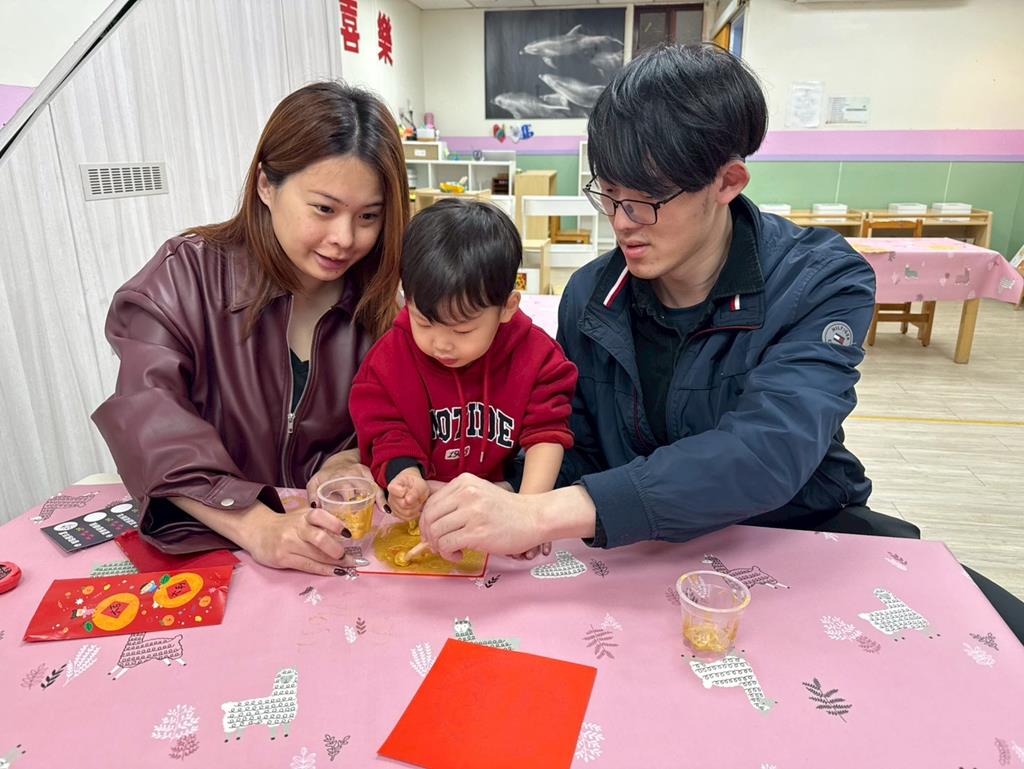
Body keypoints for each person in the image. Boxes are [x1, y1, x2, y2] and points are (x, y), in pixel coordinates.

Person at [416, 44, 1024, 641]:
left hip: (794, 536)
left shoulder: (817, 281)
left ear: (727, 181)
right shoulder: (592, 296)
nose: (622, 221)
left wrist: (540, 513)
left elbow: (767, 451)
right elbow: (578, 441)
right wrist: (506, 494)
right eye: (609, 194)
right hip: (644, 554)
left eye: (646, 199)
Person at [92, 82, 408, 576]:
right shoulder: (186, 277)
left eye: (369, 216)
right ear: (266, 185)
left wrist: (349, 460)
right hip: (213, 546)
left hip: (330, 550)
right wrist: (258, 526)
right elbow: (147, 418)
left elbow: (405, 418)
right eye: (324, 209)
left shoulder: (384, 304)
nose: (344, 239)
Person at [349, 199, 578, 558]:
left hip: (496, 508)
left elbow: (547, 434)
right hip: (421, 512)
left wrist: (528, 514)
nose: (441, 343)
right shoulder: (391, 357)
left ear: (507, 307)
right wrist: (403, 475)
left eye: (462, 330)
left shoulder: (536, 357)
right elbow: (385, 426)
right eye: (424, 322)